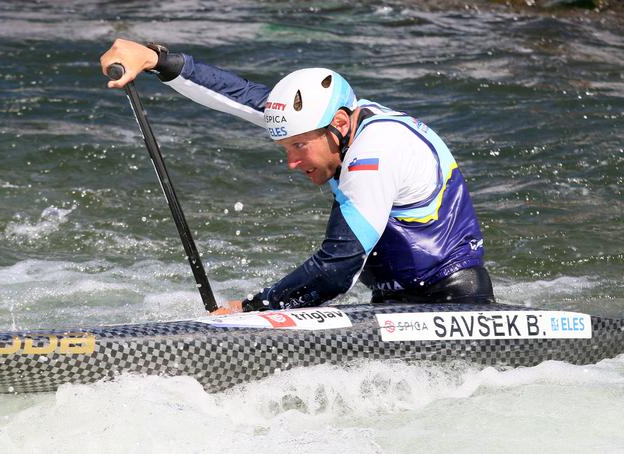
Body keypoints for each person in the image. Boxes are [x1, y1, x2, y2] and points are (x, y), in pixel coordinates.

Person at [100, 39, 495, 314]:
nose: (291, 162)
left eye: (298, 147)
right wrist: (155, 58)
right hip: (393, 307)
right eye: (285, 147)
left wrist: (253, 308)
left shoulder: (375, 152)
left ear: (338, 124)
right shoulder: (330, 122)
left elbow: (338, 269)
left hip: (452, 303)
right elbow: (238, 95)